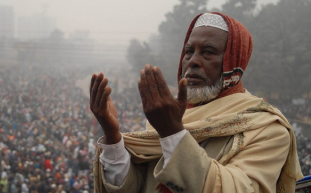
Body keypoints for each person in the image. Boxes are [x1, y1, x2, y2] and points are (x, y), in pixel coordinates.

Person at [89, 12, 304, 193]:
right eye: (189, 51)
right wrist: (113, 137)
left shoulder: (267, 127)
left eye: (208, 52)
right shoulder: (169, 116)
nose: (192, 61)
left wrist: (173, 133)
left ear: (233, 63)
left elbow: (239, 188)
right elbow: (139, 187)